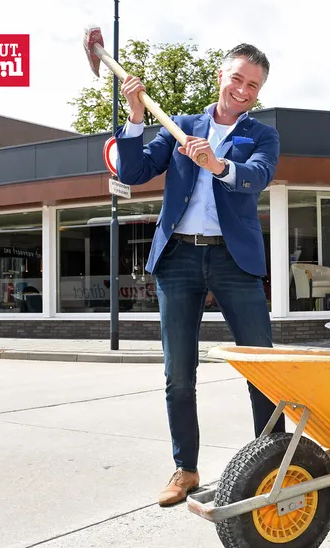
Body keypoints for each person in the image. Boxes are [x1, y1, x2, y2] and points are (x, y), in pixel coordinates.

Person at [114, 43, 284, 507]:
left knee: (263, 370)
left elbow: (256, 176)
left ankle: (276, 470)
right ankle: (185, 469)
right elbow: (133, 169)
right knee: (178, 373)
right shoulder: (182, 126)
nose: (243, 90)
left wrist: (218, 164)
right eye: (238, 79)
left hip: (234, 260)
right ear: (220, 75)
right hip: (178, 260)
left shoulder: (262, 136)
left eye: (253, 85)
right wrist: (134, 115)